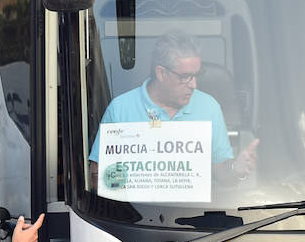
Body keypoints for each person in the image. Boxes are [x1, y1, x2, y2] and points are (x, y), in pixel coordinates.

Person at [89, 30, 258, 185]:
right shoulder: (120, 109)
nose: (194, 84)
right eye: (185, 77)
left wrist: (236, 169)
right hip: (135, 208)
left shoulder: (209, 107)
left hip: (193, 208)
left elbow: (222, 175)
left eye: (196, 75)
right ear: (161, 73)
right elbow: (97, 176)